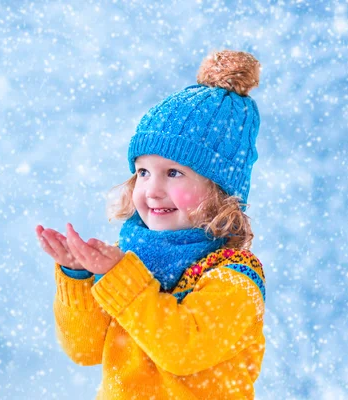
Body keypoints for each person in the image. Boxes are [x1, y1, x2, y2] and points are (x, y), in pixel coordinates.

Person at [36, 50, 266, 399]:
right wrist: (78, 276)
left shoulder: (234, 277)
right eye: (143, 172)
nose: (153, 190)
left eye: (174, 173)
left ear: (220, 192)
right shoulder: (128, 260)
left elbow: (183, 348)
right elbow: (84, 349)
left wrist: (119, 277)